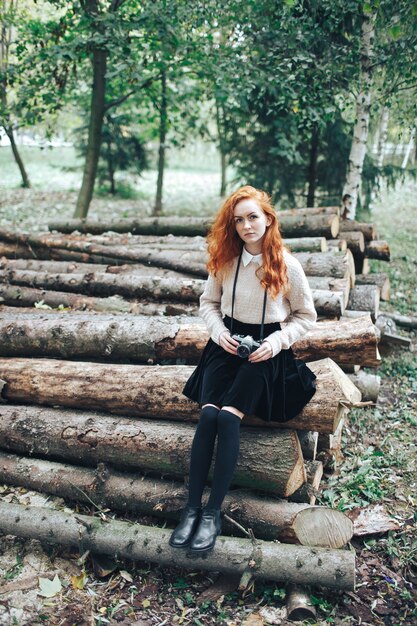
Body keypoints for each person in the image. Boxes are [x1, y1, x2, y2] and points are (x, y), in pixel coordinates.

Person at [169, 185, 317, 555]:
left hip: (266, 350)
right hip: (226, 345)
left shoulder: (287, 264)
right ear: (231, 226)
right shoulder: (225, 261)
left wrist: (277, 342)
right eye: (239, 220)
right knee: (207, 418)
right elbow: (208, 304)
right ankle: (191, 509)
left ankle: (212, 514)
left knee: (228, 419)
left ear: (268, 219)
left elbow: (306, 317)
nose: (247, 225)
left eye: (253, 217)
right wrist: (218, 333)